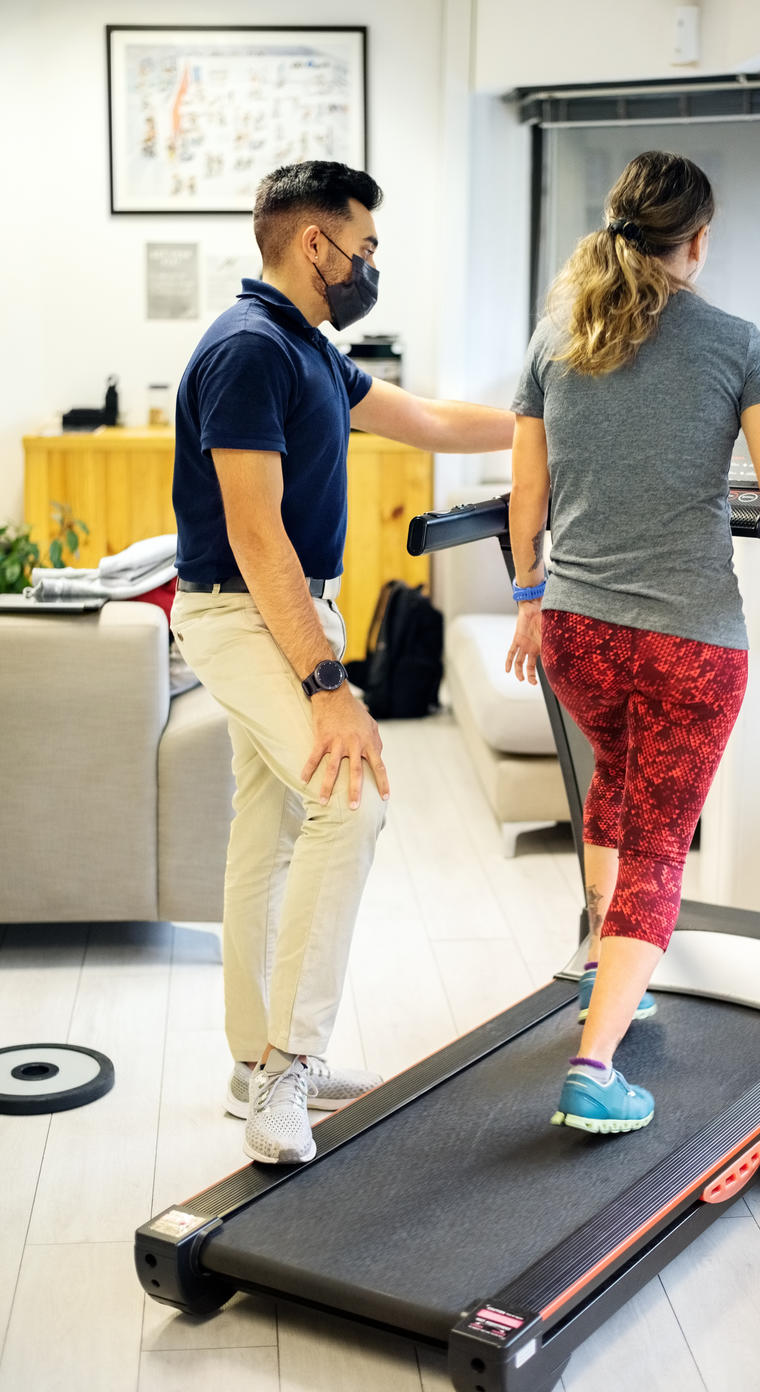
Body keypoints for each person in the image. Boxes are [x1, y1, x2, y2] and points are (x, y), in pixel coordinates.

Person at [170, 160, 513, 1164]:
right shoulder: (246, 351)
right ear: (313, 241)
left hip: (272, 609)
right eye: (364, 248)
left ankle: (252, 1062)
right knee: (350, 797)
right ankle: (288, 1064)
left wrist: (546, 424)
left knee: (267, 832)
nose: (371, 266)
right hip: (242, 614)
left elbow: (431, 422)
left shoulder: (307, 346)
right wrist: (330, 687)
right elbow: (256, 534)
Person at [505, 150, 760, 1136]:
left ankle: (609, 976)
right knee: (658, 838)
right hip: (686, 639)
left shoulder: (556, 332)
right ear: (696, 241)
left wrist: (529, 598)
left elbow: (530, 493)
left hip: (575, 630)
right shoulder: (736, 341)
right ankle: (593, 1064)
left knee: (617, 784)